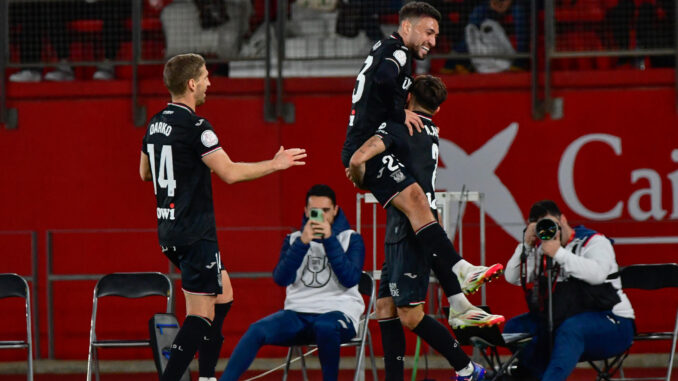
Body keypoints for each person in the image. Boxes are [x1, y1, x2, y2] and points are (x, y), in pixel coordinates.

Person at [139, 53, 306, 381]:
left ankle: (206, 376)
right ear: (191, 84)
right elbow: (229, 173)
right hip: (194, 230)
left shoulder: (155, 123)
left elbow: (145, 173)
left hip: (169, 228)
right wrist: (274, 164)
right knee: (199, 316)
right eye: (204, 77)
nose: (208, 83)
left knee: (224, 294)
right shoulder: (196, 125)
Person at [342, 1, 503, 327]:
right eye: (428, 32)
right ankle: (460, 274)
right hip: (366, 147)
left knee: (419, 213)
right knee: (418, 202)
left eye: (436, 35)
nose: (432, 40)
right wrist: (399, 113)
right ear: (407, 27)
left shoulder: (385, 48)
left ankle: (458, 298)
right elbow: (387, 78)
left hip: (366, 147)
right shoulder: (398, 52)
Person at [349, 75, 490, 381]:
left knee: (410, 315)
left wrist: (357, 165)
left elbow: (363, 153)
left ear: (408, 96)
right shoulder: (431, 129)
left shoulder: (402, 125)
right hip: (415, 221)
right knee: (384, 307)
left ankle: (466, 368)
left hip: (408, 228)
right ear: (437, 110)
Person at [219, 184, 365, 381]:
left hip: (339, 313)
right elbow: (281, 278)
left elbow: (350, 279)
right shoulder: (294, 239)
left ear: (335, 210)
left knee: (324, 326)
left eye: (326, 211)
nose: (320, 216)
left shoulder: (351, 238)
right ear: (306, 211)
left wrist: (329, 240)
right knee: (257, 329)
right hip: (298, 313)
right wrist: (302, 244)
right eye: (315, 211)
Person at [503, 200, 635, 381]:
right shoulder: (542, 250)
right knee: (515, 329)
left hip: (613, 321)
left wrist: (558, 253)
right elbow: (512, 277)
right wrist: (526, 245)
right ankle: (540, 376)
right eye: (541, 226)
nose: (549, 230)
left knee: (571, 329)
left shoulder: (593, 241)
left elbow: (597, 274)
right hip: (562, 322)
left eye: (551, 223)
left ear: (563, 219)